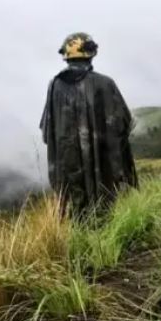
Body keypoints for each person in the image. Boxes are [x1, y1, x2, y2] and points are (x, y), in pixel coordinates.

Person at [40, 32, 138, 214]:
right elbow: (123, 124)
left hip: (68, 168)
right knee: (105, 211)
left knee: (76, 214)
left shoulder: (55, 85)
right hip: (102, 169)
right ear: (91, 53)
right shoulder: (104, 83)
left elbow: (47, 132)